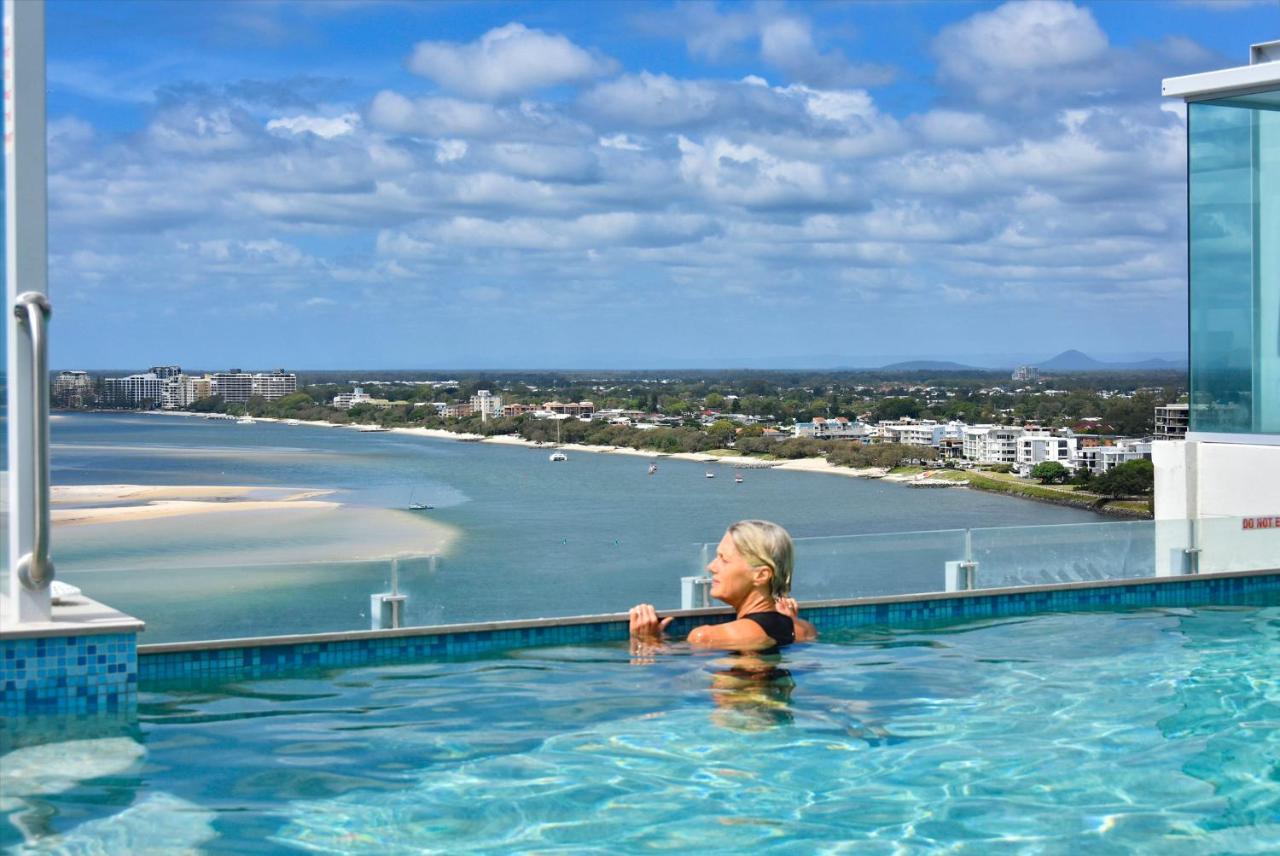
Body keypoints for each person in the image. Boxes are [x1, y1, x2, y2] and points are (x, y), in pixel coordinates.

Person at [629, 519, 817, 652]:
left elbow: (679, 683)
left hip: (735, 708)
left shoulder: (707, 638)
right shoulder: (805, 631)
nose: (711, 567)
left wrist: (645, 642)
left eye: (723, 560)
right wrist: (787, 619)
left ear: (760, 575)